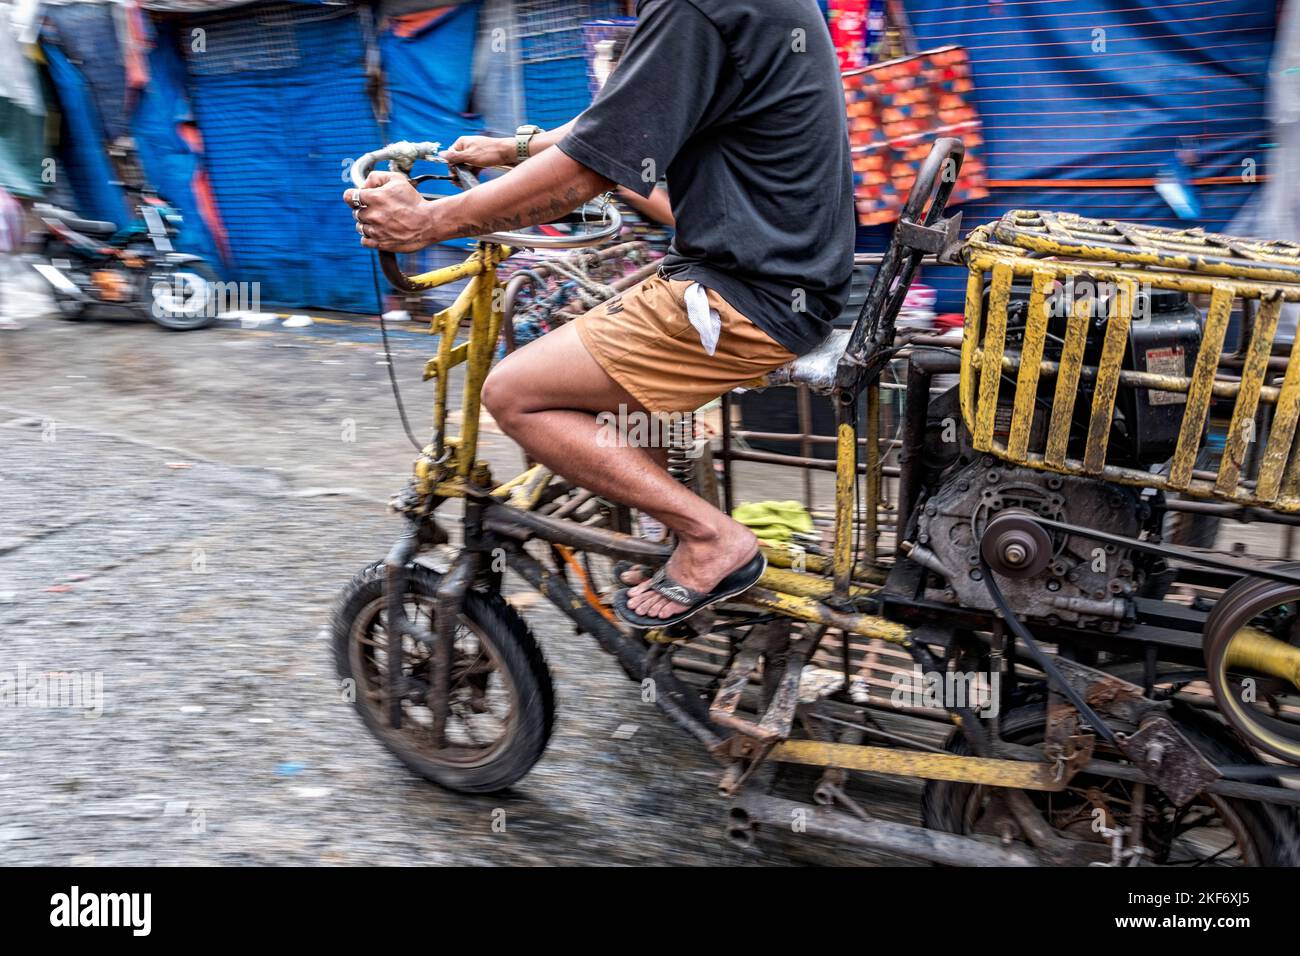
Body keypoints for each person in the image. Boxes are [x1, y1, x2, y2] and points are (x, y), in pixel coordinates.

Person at [344, 0, 854, 627]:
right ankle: (672, 525)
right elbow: (628, 119)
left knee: (513, 394)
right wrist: (515, 146)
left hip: (748, 293)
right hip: (774, 276)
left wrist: (430, 221)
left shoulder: (694, 6)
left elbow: (587, 171)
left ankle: (710, 538)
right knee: (590, 359)